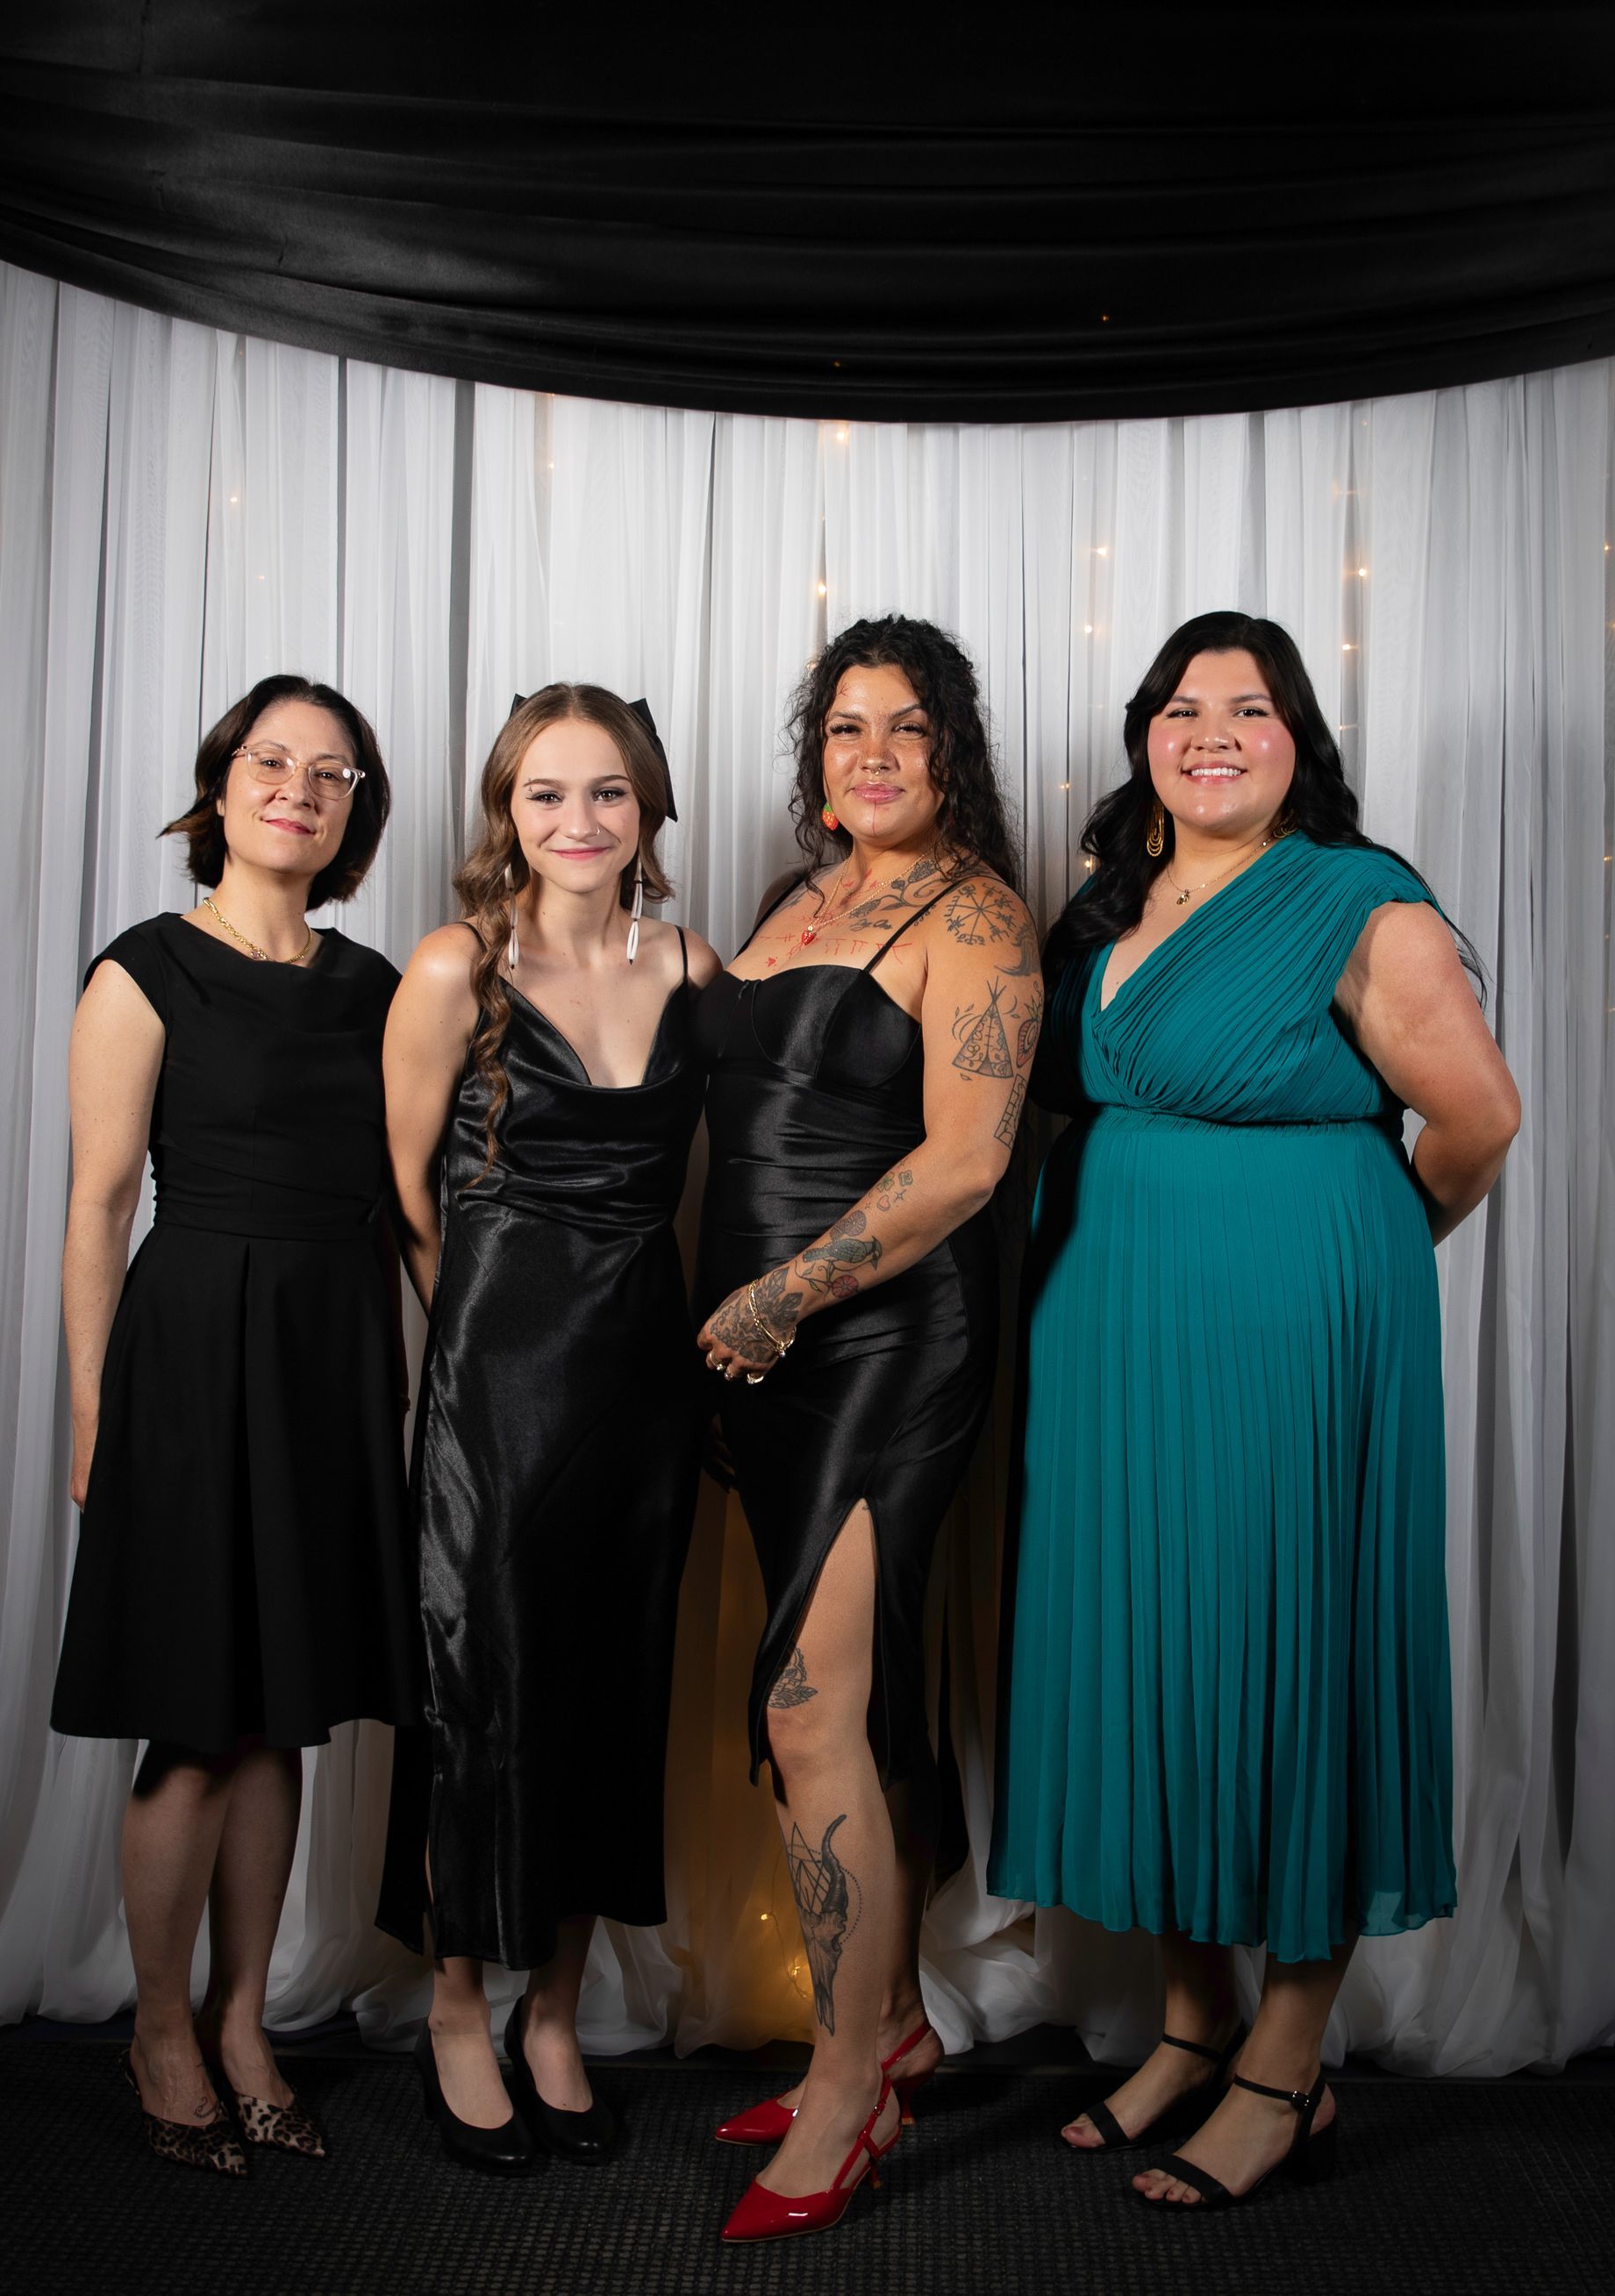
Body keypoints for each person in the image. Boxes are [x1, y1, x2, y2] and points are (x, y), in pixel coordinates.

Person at [990, 610, 1522, 2210]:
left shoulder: (1362, 900)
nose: (1210, 730)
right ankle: (1189, 2018)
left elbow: (1479, 1120)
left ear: (1303, 740)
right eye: (1181, 705)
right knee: (1153, 1650)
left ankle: (1288, 2069)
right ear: (1145, 732)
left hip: (1294, 1327)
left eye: (1252, 705)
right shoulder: (1112, 907)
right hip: (1111, 1332)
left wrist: (1343, 1259)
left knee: (1291, 1655)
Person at [694, 615, 1040, 2243]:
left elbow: (968, 1159)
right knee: (825, 1703)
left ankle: (849, 2089)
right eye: (846, 728)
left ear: (950, 753)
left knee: (809, 1702)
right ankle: (885, 2016)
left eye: (907, 728)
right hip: (759, 1352)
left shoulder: (976, 916)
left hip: (889, 1334)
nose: (875, 753)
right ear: (815, 756)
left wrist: (783, 1298)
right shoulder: (792, 903)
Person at [51, 674, 418, 2175]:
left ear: (350, 814)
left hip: (333, 1356)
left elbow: (410, 1205)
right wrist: (92, 1410)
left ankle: (246, 2016)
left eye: (330, 773)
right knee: (193, 1723)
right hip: (197, 1353)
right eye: (272, 760)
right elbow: (98, 1203)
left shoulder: (380, 985)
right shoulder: (146, 969)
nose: (298, 787)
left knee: (284, 1725)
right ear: (221, 786)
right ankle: (156, 2026)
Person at [376, 684, 718, 2174]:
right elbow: (406, 1196)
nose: (577, 823)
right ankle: (460, 2005)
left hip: (646, 1368)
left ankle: (558, 2011)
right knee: (482, 1687)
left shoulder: (694, 962)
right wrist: (477, 1358)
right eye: (544, 796)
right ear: (505, 813)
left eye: (607, 795)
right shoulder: (454, 965)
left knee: (610, 1677)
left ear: (645, 810)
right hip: (500, 1371)